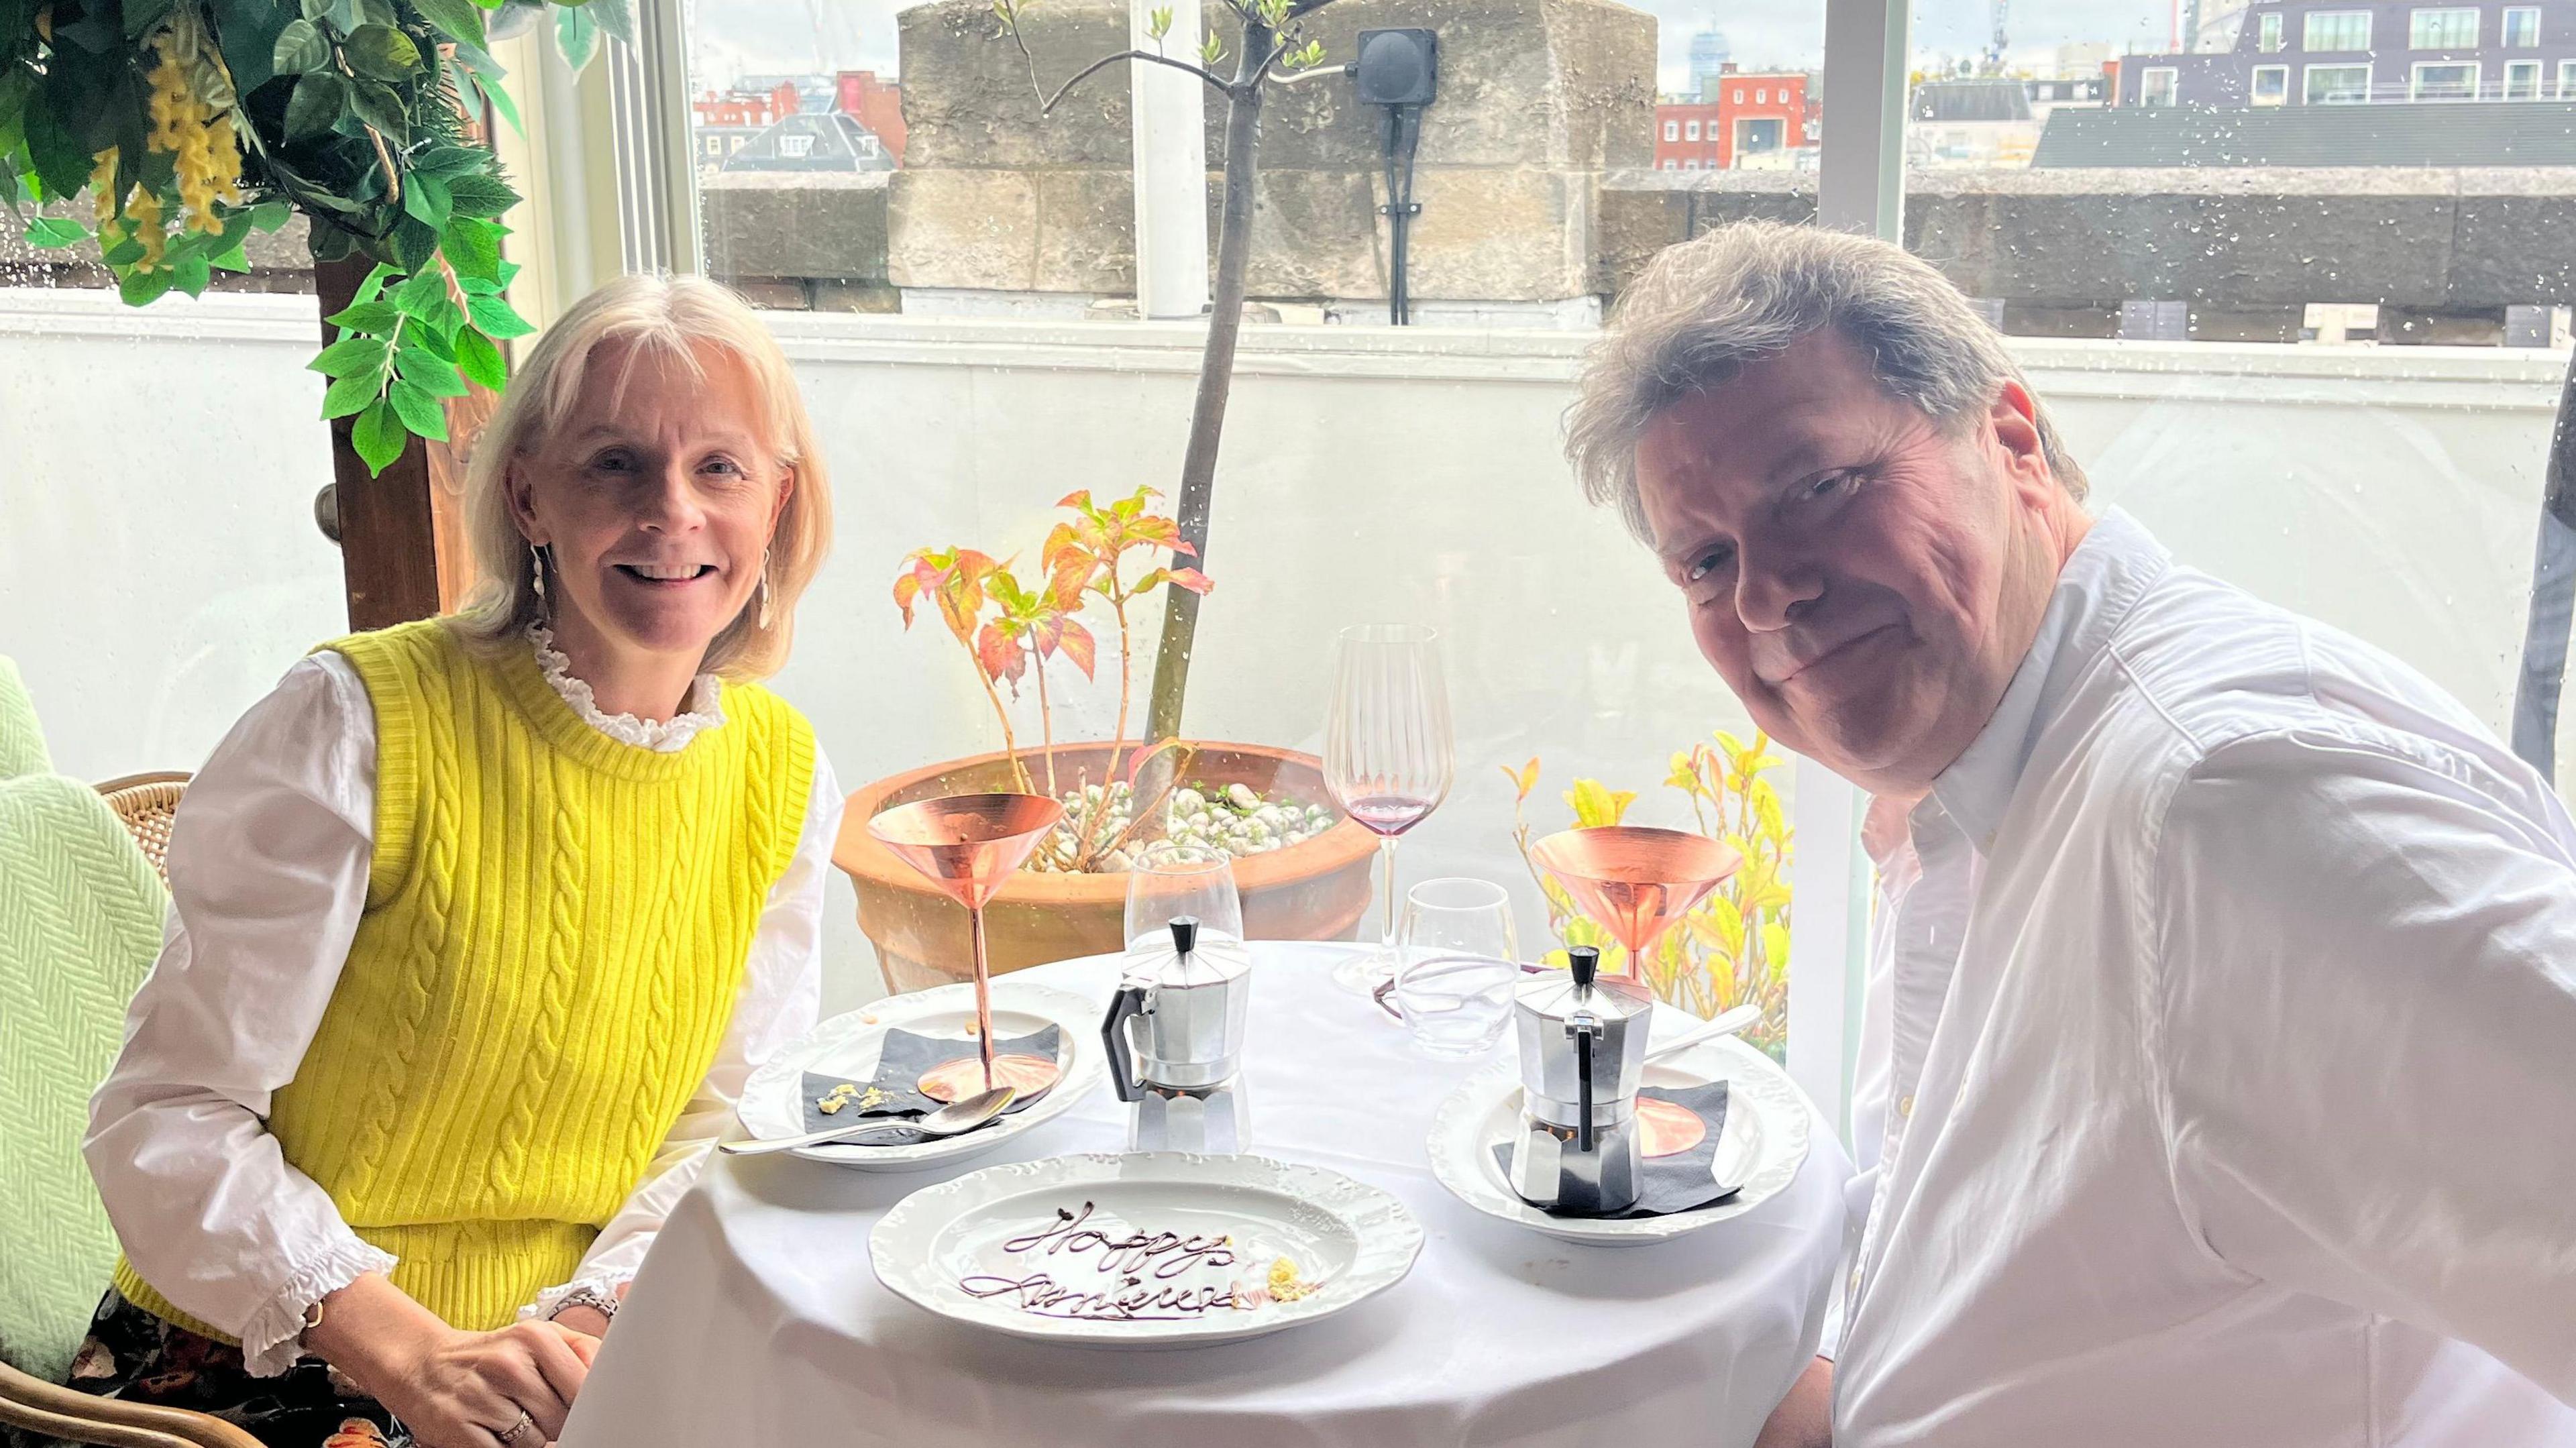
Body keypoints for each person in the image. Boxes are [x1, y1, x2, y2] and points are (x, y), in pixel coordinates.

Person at [1565, 220, 2576, 1446]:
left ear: (2012, 441)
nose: (1767, 594)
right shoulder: (1991, 772)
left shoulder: (2232, 816)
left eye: (1820, 488)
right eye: (1707, 562)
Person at [72, 273, 840, 1448]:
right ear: (528, 495)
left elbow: (730, 1122)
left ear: (778, 501)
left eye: (720, 468)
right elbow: (163, 1117)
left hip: (561, 1364)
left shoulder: (782, 775)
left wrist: (582, 1325)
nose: (673, 511)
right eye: (616, 464)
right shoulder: (353, 726)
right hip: (271, 1368)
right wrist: (418, 1356)